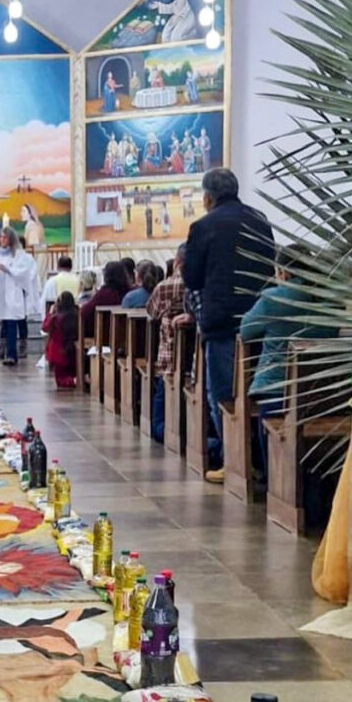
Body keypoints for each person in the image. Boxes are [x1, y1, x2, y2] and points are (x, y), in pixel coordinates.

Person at [184, 168, 275, 482]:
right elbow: (270, 266)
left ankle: (235, 462)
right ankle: (260, 461)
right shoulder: (260, 220)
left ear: (208, 198)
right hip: (259, 317)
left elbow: (192, 278)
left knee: (223, 394)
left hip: (221, 322)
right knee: (256, 391)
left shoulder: (203, 226)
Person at [239, 246, 332, 482]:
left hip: (277, 389)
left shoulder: (273, 299)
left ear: (282, 271)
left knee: (269, 420)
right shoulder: (328, 299)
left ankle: (273, 480)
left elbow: (246, 331)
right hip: (321, 393)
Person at [146, 244, 188, 442]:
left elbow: (151, 312)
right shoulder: (203, 286)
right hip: (196, 362)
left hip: (169, 360)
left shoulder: (163, 287)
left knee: (157, 424)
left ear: (176, 262)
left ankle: (173, 434)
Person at [0, 228, 27, 366]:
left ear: (11, 239)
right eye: (0, 237)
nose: (1, 240)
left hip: (12, 292)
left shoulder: (18, 254)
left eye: (4, 237)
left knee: (12, 322)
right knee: (6, 323)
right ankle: (6, 352)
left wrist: (8, 270)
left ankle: (12, 355)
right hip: (0, 292)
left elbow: (23, 272)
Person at [80, 260, 130, 338]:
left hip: (105, 334)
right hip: (127, 334)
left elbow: (85, 311)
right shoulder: (129, 291)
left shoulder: (104, 293)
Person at [42, 291, 78, 388]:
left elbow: (45, 327)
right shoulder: (77, 316)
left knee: (60, 380)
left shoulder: (55, 318)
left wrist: (50, 313)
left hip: (58, 352)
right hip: (73, 350)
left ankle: (74, 381)